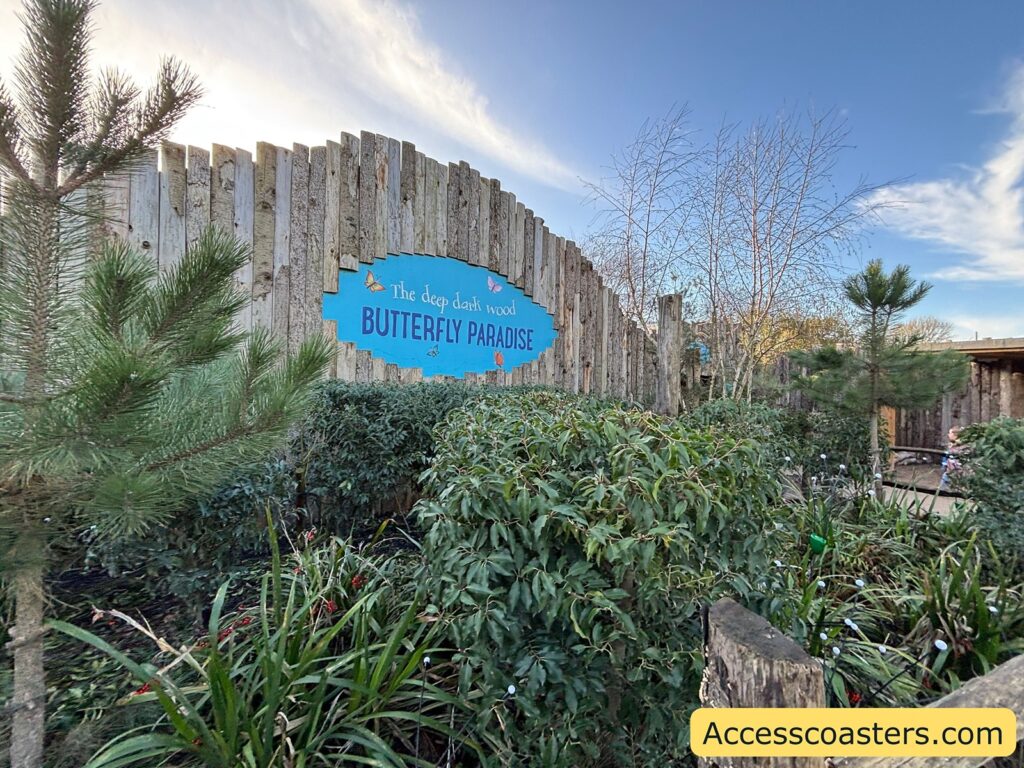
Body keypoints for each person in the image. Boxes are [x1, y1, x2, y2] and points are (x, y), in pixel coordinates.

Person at [940, 426, 963, 490]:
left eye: (950, 433)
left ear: (955, 435)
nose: (948, 435)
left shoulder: (961, 447)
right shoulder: (951, 445)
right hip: (949, 472)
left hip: (956, 472)